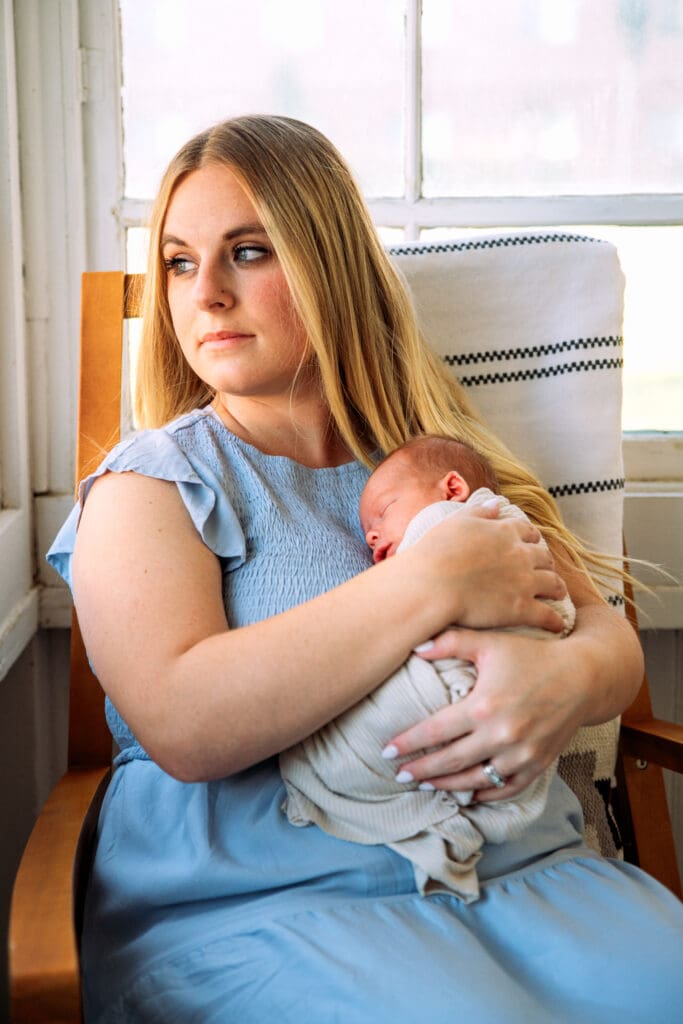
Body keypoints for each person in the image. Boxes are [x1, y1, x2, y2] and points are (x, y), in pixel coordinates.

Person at [47, 115, 683, 1024]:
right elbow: (185, 725)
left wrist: (563, 679)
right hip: (268, 905)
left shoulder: (433, 468)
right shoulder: (155, 484)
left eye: (249, 252)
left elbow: (608, 644)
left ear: (330, 264)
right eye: (181, 262)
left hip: (523, 874)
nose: (207, 294)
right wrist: (425, 583)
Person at [280, 434, 576, 903]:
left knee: (321, 755)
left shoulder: (466, 521)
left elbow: (564, 610)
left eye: (384, 513)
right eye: (367, 530)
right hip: (481, 715)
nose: (371, 535)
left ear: (452, 488)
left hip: (498, 690)